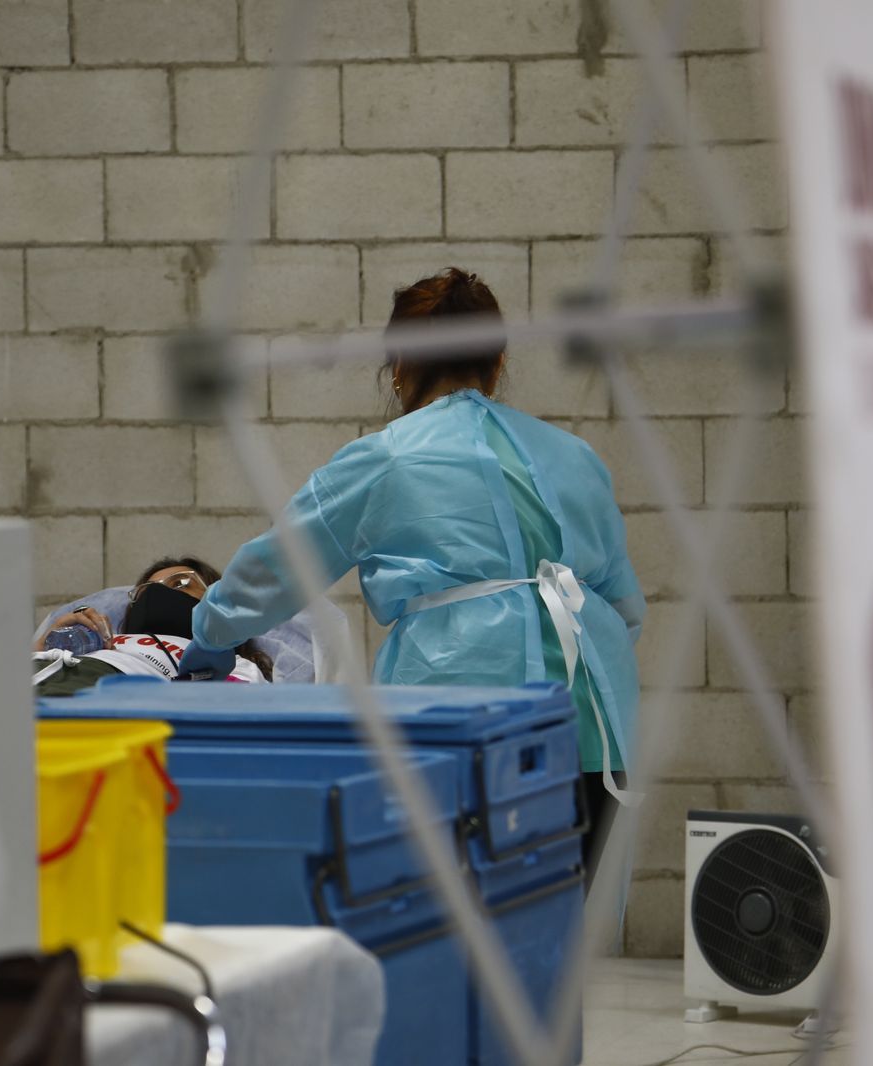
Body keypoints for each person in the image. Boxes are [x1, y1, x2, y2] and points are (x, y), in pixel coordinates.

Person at [181, 268, 646, 880]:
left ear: (398, 362)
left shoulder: (387, 457)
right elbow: (625, 607)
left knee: (463, 930)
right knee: (560, 931)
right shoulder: (575, 457)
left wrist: (210, 635)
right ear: (499, 360)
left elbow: (279, 564)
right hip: (595, 726)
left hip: (459, 723)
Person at [34, 557, 271, 695]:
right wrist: (44, 641)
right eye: (146, 589)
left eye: (181, 583)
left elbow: (235, 712)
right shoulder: (107, 638)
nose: (158, 592)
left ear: (216, 599)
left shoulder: (231, 663)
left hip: (101, 686)